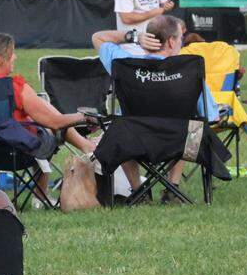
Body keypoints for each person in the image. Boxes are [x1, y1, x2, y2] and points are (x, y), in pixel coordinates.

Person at [92, 16, 220, 201]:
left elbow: (98, 37)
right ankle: (172, 187)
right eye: (180, 39)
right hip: (176, 141)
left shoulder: (125, 63)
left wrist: (132, 36)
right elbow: (211, 116)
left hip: (134, 141)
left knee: (122, 125)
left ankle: (139, 191)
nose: (181, 43)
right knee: (195, 127)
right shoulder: (189, 71)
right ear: (170, 41)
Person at [0, 32, 95, 198]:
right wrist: (83, 116)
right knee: (51, 129)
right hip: (16, 154)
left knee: (41, 118)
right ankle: (41, 194)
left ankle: (86, 146)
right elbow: (56, 122)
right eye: (11, 53)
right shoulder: (13, 86)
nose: (15, 57)